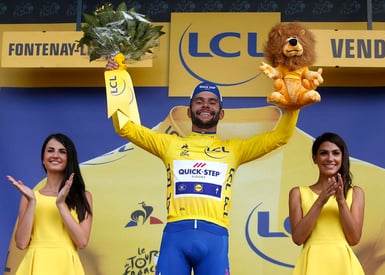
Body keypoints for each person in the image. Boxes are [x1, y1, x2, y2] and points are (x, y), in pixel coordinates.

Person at [105, 58, 300, 275]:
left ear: (221, 113)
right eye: (199, 101)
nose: (205, 105)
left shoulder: (234, 150)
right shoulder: (169, 144)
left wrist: (293, 109)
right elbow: (126, 128)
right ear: (189, 112)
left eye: (212, 101)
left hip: (215, 240)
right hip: (175, 237)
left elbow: (281, 136)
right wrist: (116, 80)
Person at [6, 133, 93, 275]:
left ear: (69, 159)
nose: (55, 155)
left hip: (66, 266)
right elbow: (21, 243)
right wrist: (32, 201)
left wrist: (60, 204)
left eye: (62, 151)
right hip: (35, 265)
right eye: (50, 150)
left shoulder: (83, 197)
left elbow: (82, 241)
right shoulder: (28, 198)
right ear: (43, 159)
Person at [288, 132, 365, 275]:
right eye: (324, 153)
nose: (330, 158)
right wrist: (320, 201)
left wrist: (341, 201)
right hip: (312, 264)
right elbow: (298, 238)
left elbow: (354, 238)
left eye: (336, 153)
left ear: (342, 158)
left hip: (343, 265)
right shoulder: (297, 193)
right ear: (314, 158)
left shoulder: (355, 193)